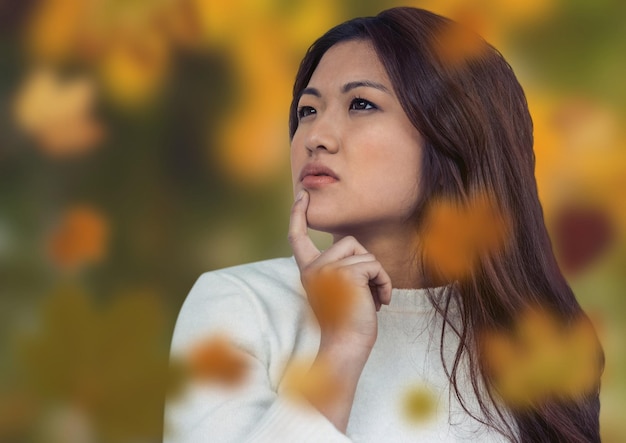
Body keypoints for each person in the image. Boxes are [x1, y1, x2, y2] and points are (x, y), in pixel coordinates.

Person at [165, 7, 603, 443]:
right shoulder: (240, 306)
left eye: (361, 104)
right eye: (307, 110)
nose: (316, 136)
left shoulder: (535, 341)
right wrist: (340, 350)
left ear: (454, 134)